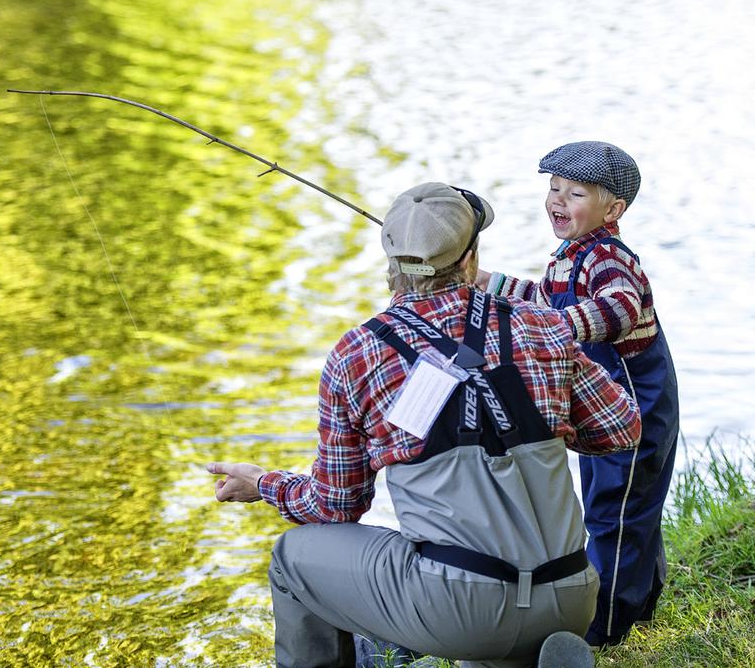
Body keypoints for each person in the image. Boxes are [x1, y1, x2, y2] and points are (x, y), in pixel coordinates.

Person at [207, 182, 641, 668]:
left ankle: (480, 637)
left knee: (294, 556)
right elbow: (621, 430)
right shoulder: (540, 324)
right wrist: (536, 422)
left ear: (390, 266)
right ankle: (523, 651)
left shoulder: (358, 354)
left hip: (461, 608)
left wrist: (264, 484)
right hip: (572, 593)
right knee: (484, 578)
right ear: (471, 260)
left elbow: (337, 506)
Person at [480, 141, 680, 647]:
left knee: (618, 508)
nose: (558, 200)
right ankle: (643, 598)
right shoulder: (568, 258)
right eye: (553, 189)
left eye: (576, 193)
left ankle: (605, 627)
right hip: (601, 401)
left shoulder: (608, 258)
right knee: (615, 499)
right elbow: (543, 300)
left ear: (613, 209)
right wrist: (488, 283)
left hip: (637, 401)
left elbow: (618, 309)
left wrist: (557, 328)